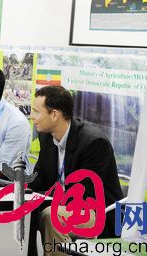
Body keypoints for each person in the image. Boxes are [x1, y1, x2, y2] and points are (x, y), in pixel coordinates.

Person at [28, 85, 124, 256]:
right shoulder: (46, 138)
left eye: (36, 111)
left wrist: (45, 199)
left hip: (97, 212)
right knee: (30, 210)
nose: (32, 116)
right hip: (60, 206)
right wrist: (17, 184)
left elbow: (84, 195)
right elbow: (40, 180)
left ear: (55, 114)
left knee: (52, 216)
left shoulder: (94, 142)